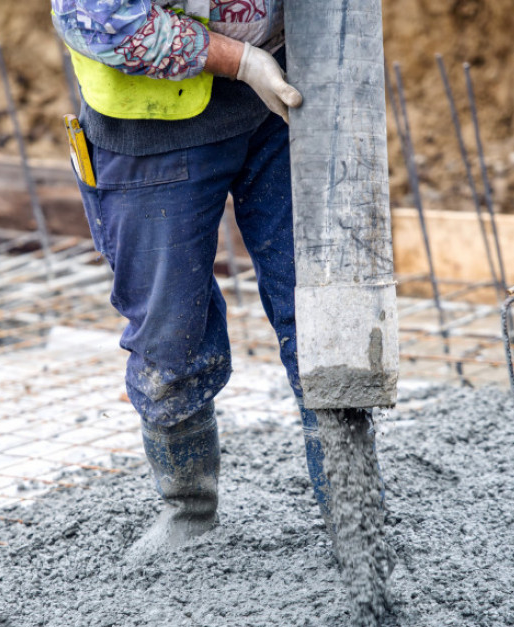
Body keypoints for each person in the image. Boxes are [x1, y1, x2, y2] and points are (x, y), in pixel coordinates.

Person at [52, 0, 332, 555]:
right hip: (151, 129)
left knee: (325, 311)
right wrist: (242, 62)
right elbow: (103, 18)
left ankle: (351, 508)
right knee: (170, 333)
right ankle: (190, 511)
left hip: (285, 102)